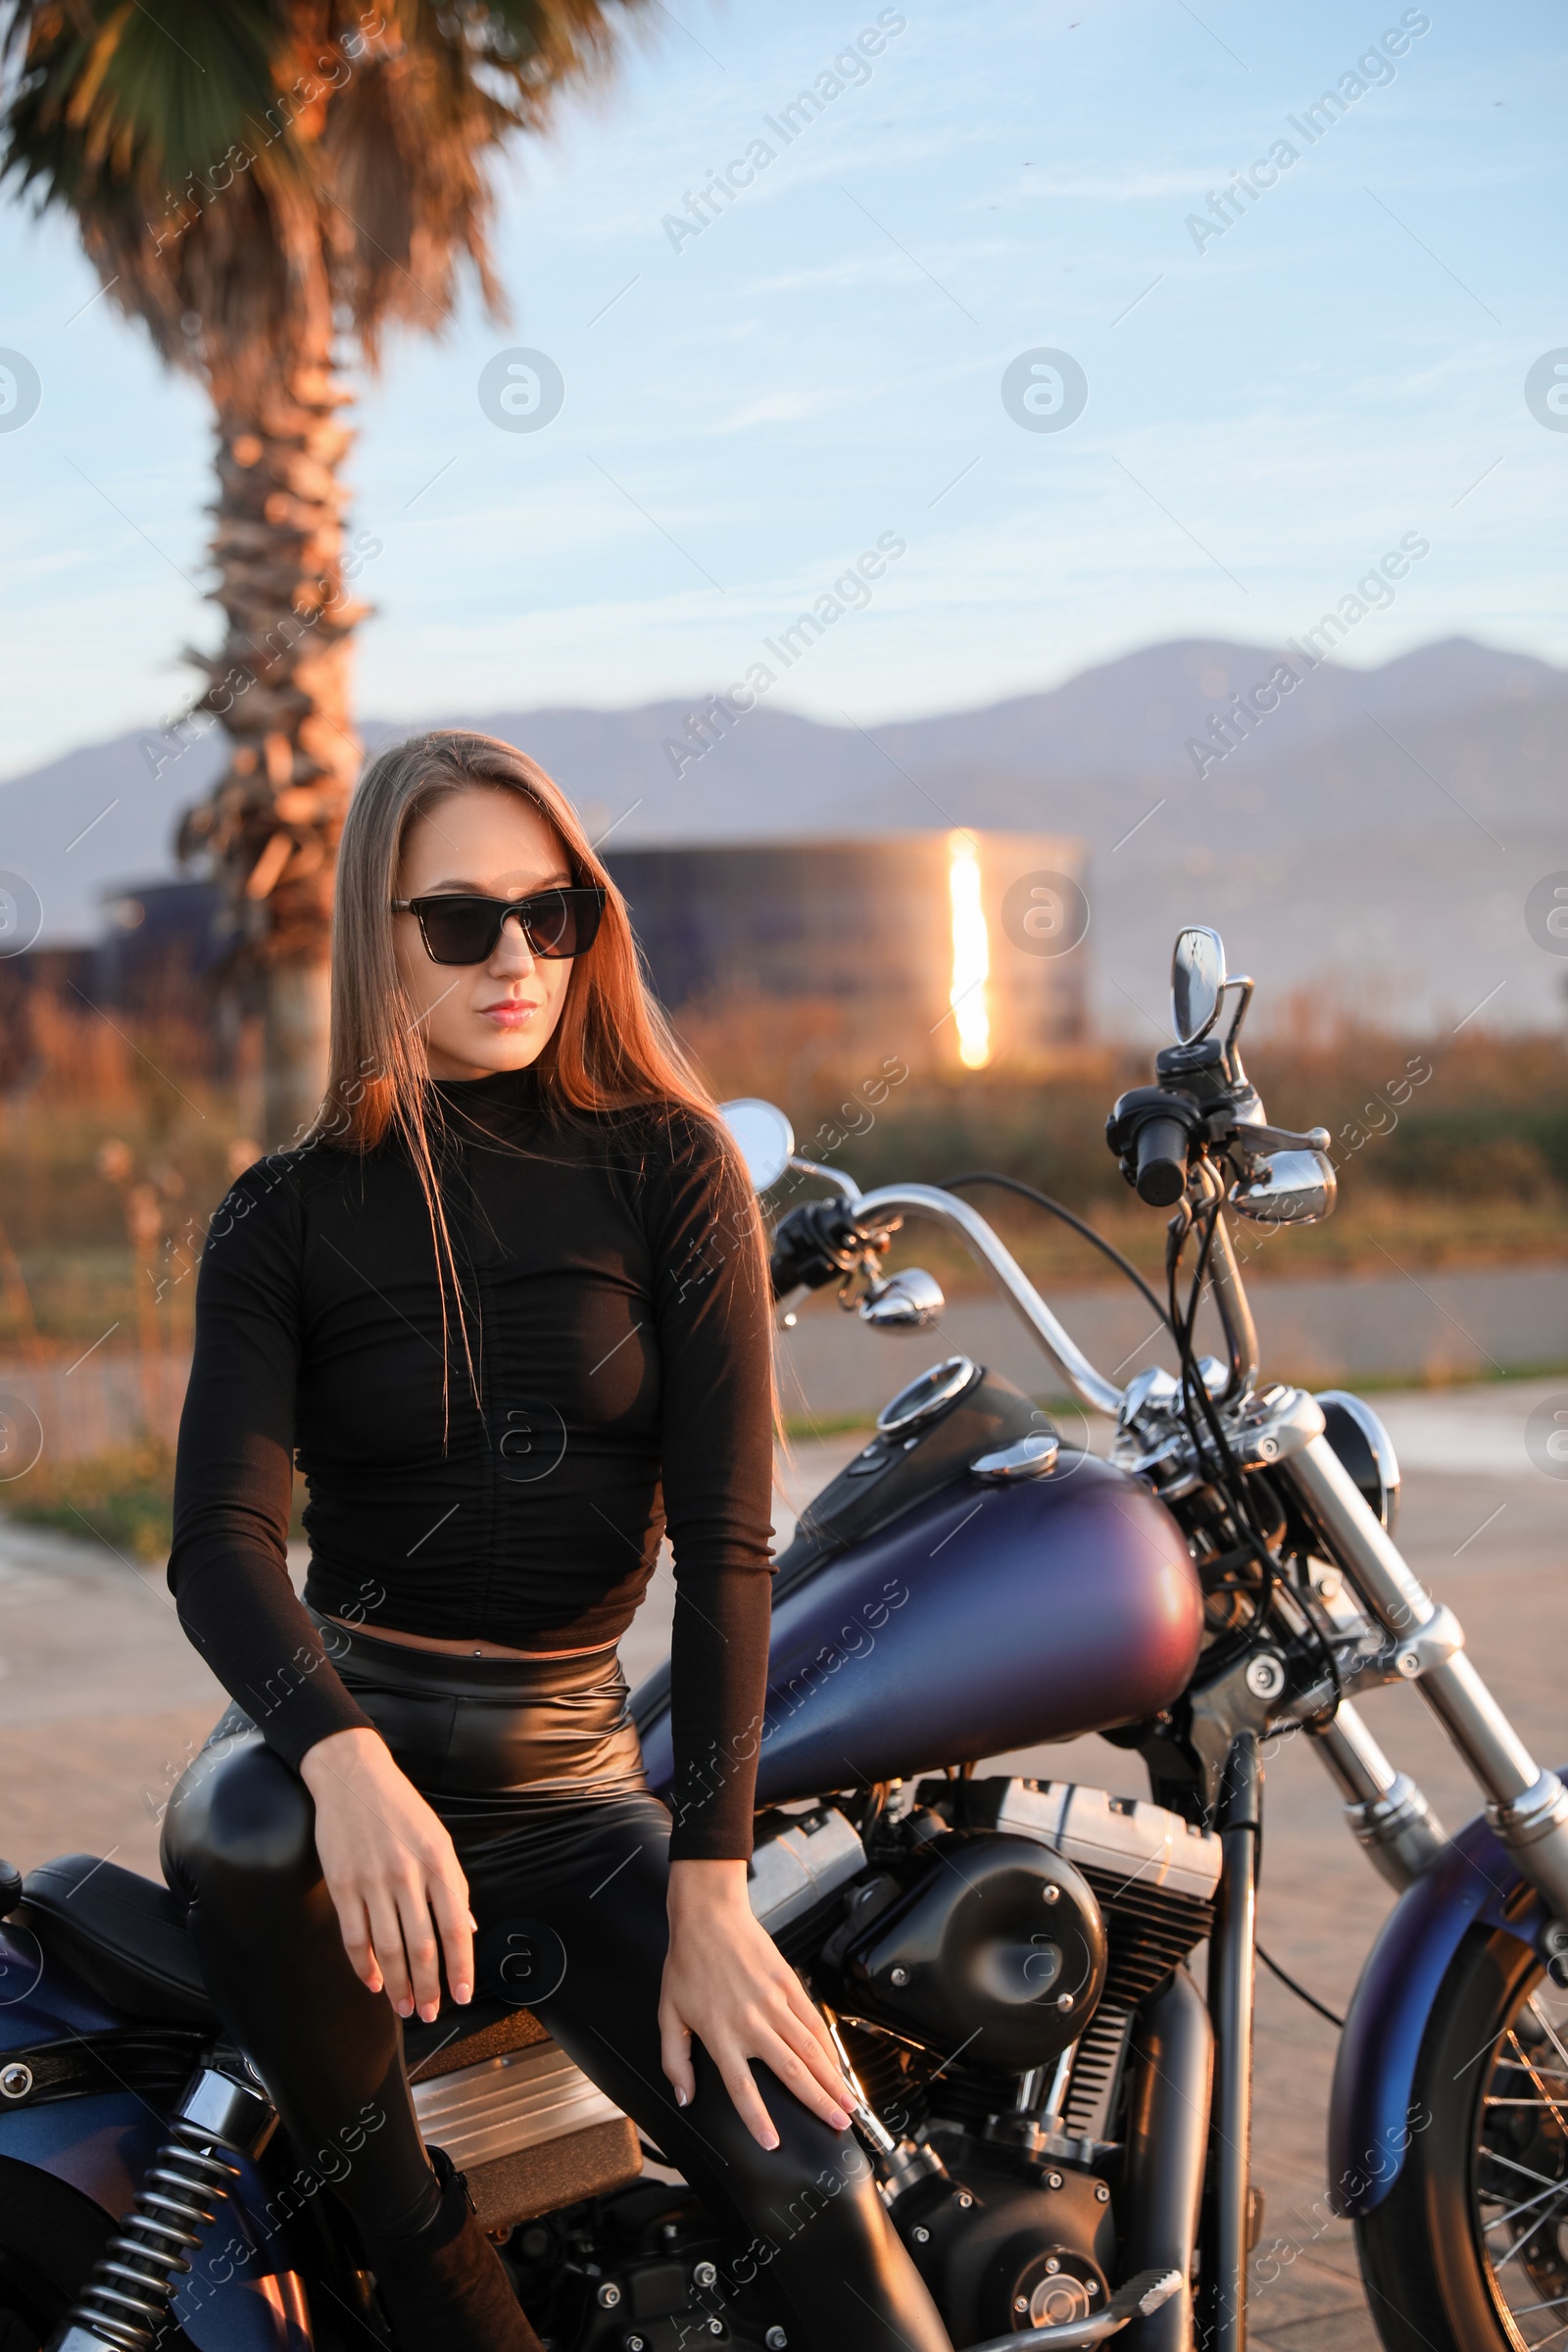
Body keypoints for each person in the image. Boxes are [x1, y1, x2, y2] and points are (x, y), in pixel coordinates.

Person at [162, 732, 953, 2351]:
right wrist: (346, 1764)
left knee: (824, 2198)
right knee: (244, 1838)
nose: (515, 954)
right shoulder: (285, 1212)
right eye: (460, 921)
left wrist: (715, 1893)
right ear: (379, 935)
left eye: (554, 909)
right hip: (337, 1746)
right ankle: (443, 2286)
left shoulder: (669, 1170)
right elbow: (216, 1543)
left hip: (572, 1793)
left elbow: (734, 1540)